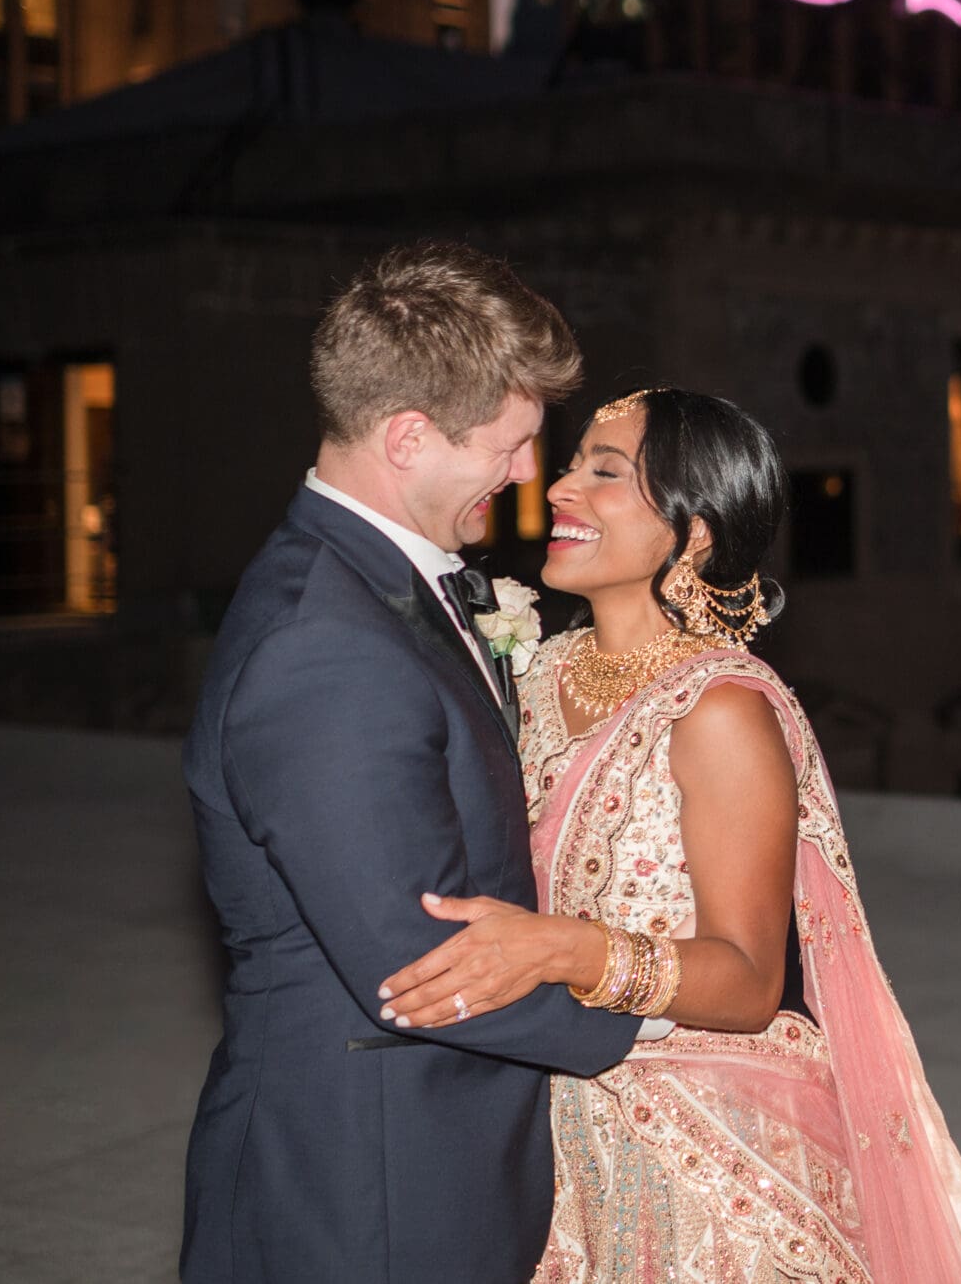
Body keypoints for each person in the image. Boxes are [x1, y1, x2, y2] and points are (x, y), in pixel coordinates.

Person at [372, 387, 961, 1283]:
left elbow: (746, 978)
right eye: (572, 463)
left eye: (604, 472)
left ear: (693, 534)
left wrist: (564, 950)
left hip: (705, 1166)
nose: (561, 489)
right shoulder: (539, 667)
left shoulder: (720, 710)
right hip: (545, 1134)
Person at [181, 243, 643, 1284]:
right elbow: (421, 964)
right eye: (514, 442)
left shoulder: (374, 579)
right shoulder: (324, 647)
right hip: (366, 1192)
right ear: (407, 437)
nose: (530, 473)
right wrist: (656, 1010)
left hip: (416, 1167)